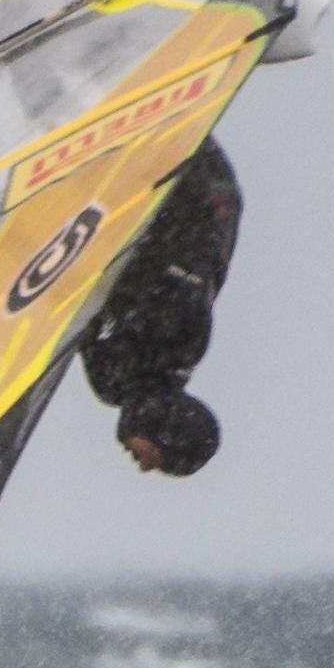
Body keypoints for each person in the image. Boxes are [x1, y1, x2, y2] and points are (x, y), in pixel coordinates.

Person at [71, 139, 237, 477]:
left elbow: (70, 315)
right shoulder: (181, 344)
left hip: (123, 214)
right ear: (167, 431)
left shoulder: (111, 382)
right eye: (159, 459)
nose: (144, 468)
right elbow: (158, 263)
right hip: (194, 186)